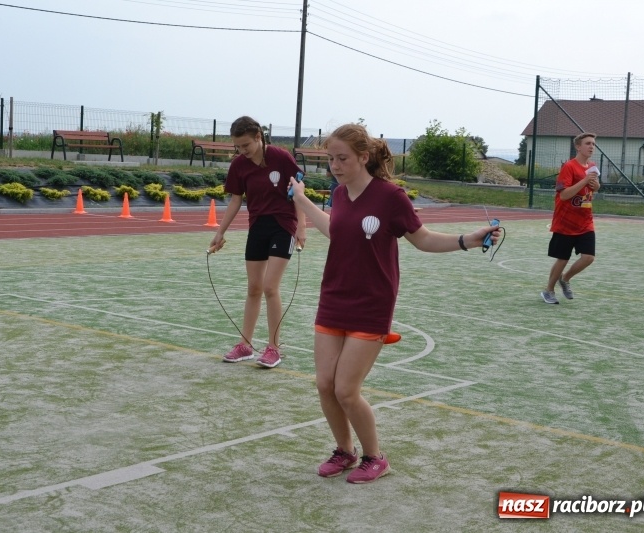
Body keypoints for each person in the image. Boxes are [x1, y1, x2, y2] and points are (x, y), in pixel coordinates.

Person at [288, 124, 500, 484]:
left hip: (372, 304)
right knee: (325, 384)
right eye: (331, 159)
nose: (335, 166)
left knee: (346, 390)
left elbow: (424, 239)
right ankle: (345, 452)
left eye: (342, 158)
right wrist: (302, 199)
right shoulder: (339, 195)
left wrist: (468, 239)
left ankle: (375, 457)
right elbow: (336, 229)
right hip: (333, 298)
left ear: (363, 157)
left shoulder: (391, 197)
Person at [208, 116, 307, 368]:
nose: (242, 151)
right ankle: (245, 345)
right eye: (237, 147)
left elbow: (298, 189)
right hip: (258, 227)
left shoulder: (281, 157)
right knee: (253, 288)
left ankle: (274, 348)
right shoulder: (239, 165)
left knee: (270, 287)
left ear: (258, 138)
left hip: (283, 226)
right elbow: (235, 200)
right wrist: (220, 232)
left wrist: (302, 225)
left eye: (246, 145)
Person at [541, 132, 601, 305]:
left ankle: (565, 279)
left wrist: (596, 185)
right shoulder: (569, 167)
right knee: (563, 258)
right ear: (578, 146)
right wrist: (584, 181)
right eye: (588, 143)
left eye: (593, 144)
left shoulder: (592, 166)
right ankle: (548, 291)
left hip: (585, 221)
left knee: (588, 257)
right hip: (566, 221)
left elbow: (593, 188)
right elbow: (565, 194)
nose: (591, 147)